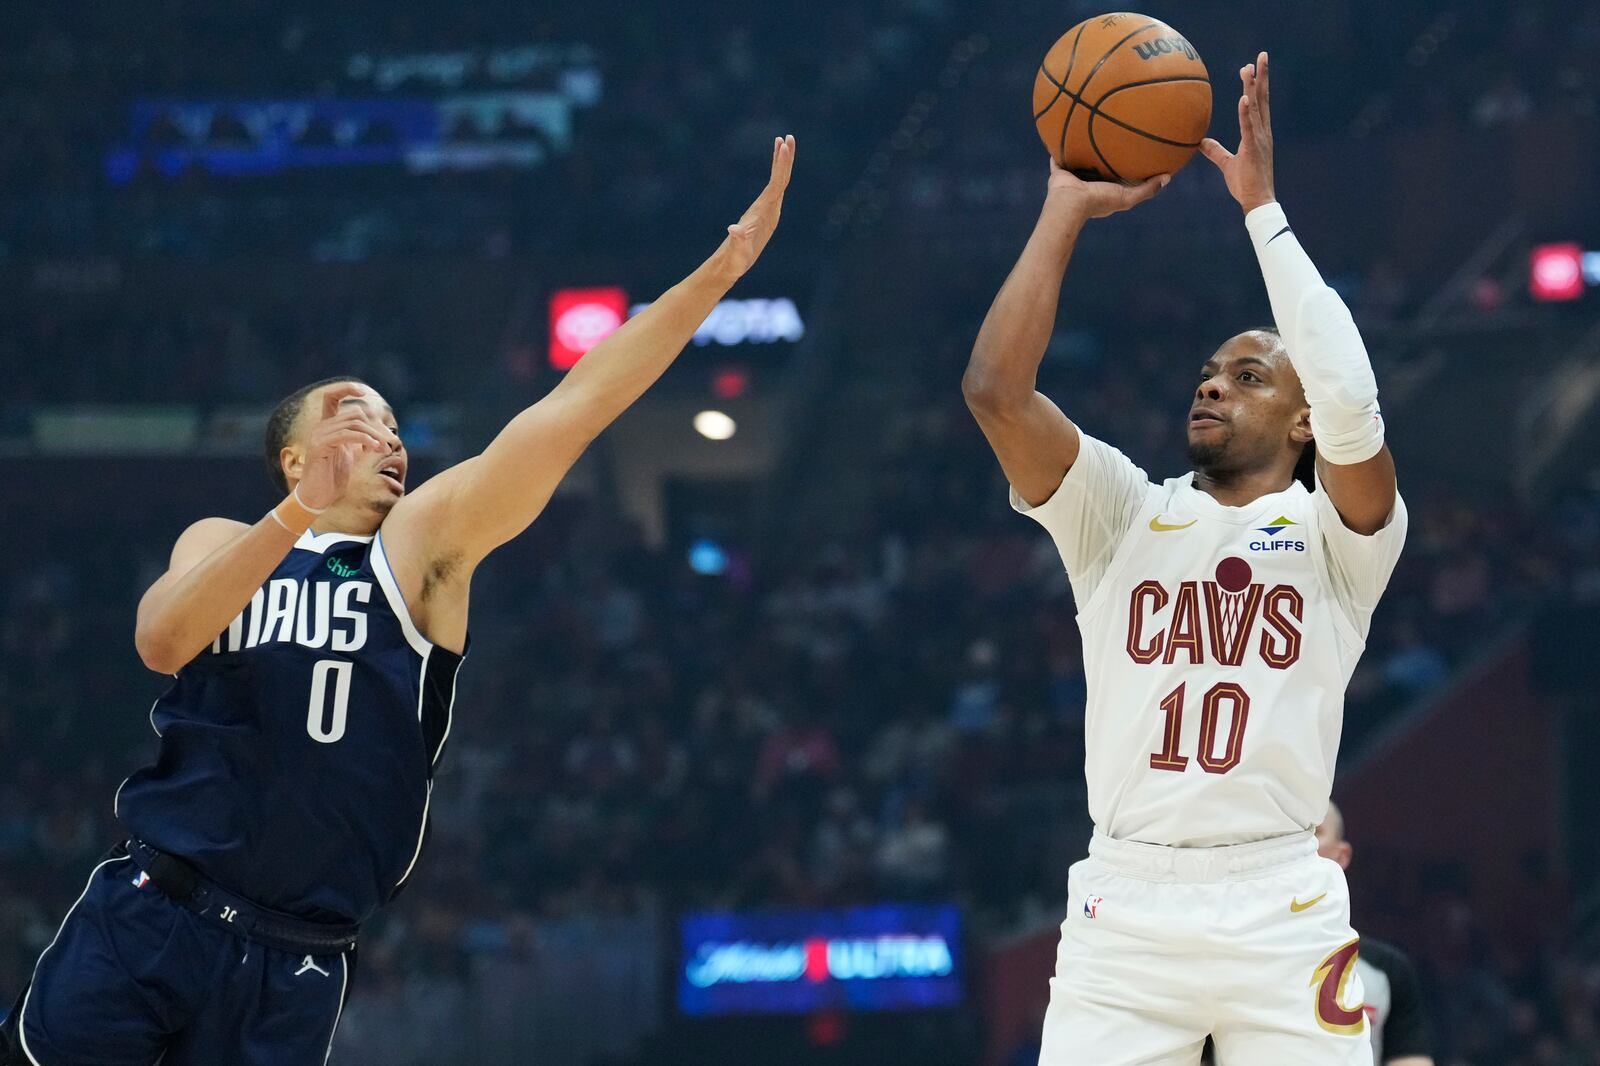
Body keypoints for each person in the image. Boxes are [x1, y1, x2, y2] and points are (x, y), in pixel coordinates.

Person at [0, 137, 795, 1066]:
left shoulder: (421, 551)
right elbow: (161, 640)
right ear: (293, 457)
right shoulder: (217, 541)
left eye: (390, 422)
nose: (382, 433)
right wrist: (293, 517)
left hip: (294, 957)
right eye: (352, 413)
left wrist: (721, 272)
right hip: (150, 911)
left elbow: (580, 402)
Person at [963, 52, 1405, 1064]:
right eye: (1207, 374)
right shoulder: (1118, 511)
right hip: (1126, 904)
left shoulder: (1342, 537)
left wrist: (1263, 213)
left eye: (1247, 376)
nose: (1211, 387)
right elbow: (995, 389)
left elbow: (1351, 394)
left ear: (1299, 422)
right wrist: (1062, 211)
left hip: (1282, 903)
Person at [1317, 803, 1435, 1066]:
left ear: (1342, 855)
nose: (1301, 845)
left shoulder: (1387, 970)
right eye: (1291, 834)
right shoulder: (1231, 957)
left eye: (1315, 831)